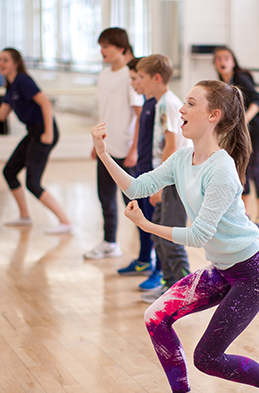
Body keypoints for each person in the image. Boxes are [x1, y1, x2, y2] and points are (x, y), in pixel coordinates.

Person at [91, 79, 259, 393]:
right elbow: (139, 186)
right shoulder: (183, 158)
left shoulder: (221, 169)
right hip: (223, 268)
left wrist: (147, 226)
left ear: (213, 115)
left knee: (208, 358)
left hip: (252, 273)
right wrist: (102, 153)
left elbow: (199, 234)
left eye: (190, 103)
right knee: (156, 316)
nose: (182, 109)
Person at [0, 48, 72, 232]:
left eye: (5, 60)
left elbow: (45, 103)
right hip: (33, 132)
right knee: (9, 171)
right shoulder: (11, 84)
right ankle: (25, 216)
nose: (0, 63)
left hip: (43, 131)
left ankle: (66, 222)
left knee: (33, 183)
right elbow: (1, 114)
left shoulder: (24, 81)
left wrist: (48, 133)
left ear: (16, 63)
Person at [83, 27, 143, 260]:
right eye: (101, 46)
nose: (102, 51)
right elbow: (104, 111)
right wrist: (96, 144)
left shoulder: (130, 76)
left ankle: (147, 252)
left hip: (127, 151)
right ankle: (110, 243)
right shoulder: (104, 75)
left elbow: (139, 114)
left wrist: (134, 149)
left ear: (121, 48)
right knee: (105, 198)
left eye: (106, 46)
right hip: (106, 150)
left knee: (133, 202)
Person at [135, 54, 190, 303]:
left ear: (157, 78)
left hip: (175, 181)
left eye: (142, 78)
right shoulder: (159, 103)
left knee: (171, 235)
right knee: (159, 232)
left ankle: (185, 291)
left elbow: (171, 145)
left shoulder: (168, 103)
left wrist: (160, 182)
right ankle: (170, 286)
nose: (139, 82)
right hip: (169, 179)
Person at [214, 46, 259, 221]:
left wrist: (244, 120)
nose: (222, 62)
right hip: (245, 133)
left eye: (226, 58)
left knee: (254, 171)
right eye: (218, 59)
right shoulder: (224, 85)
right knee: (242, 170)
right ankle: (245, 215)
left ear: (233, 61)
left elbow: (258, 99)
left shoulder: (241, 78)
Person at [116, 57, 159, 279]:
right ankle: (144, 260)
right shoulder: (148, 103)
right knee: (141, 216)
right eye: (133, 78)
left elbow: (167, 145)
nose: (134, 83)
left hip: (154, 175)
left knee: (155, 222)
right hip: (144, 173)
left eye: (137, 78)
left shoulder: (158, 105)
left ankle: (161, 270)